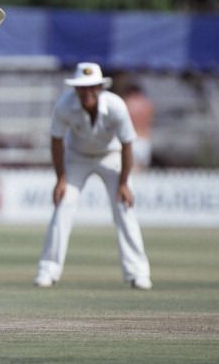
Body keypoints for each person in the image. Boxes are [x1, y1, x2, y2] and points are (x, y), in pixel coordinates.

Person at [33, 63, 152, 290]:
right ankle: (48, 271)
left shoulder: (116, 106)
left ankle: (138, 274)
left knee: (124, 209)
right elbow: (56, 141)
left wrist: (124, 183)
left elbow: (128, 145)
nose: (87, 92)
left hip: (112, 156)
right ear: (75, 89)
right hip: (77, 157)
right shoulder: (64, 105)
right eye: (82, 87)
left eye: (91, 87)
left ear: (99, 87)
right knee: (63, 205)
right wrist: (61, 179)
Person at [122, 83, 154, 171]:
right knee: (142, 172)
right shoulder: (147, 104)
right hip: (145, 141)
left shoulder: (127, 103)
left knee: (131, 172)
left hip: (131, 141)